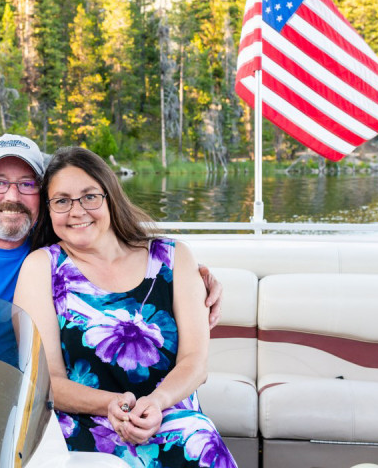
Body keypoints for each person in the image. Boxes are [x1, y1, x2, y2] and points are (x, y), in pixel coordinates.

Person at [0, 134, 224, 353]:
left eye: (27, 184)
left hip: (10, 399)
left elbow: (123, 261)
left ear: (42, 195)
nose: (12, 196)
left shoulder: (53, 249)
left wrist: (193, 278)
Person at [13, 147, 236, 468]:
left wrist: (156, 404)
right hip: (82, 420)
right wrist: (112, 405)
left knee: (197, 441)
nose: (76, 211)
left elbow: (195, 364)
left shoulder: (175, 258)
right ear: (49, 210)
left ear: (111, 195)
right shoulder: (42, 268)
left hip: (170, 414)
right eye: (61, 201)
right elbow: (48, 380)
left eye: (89, 196)